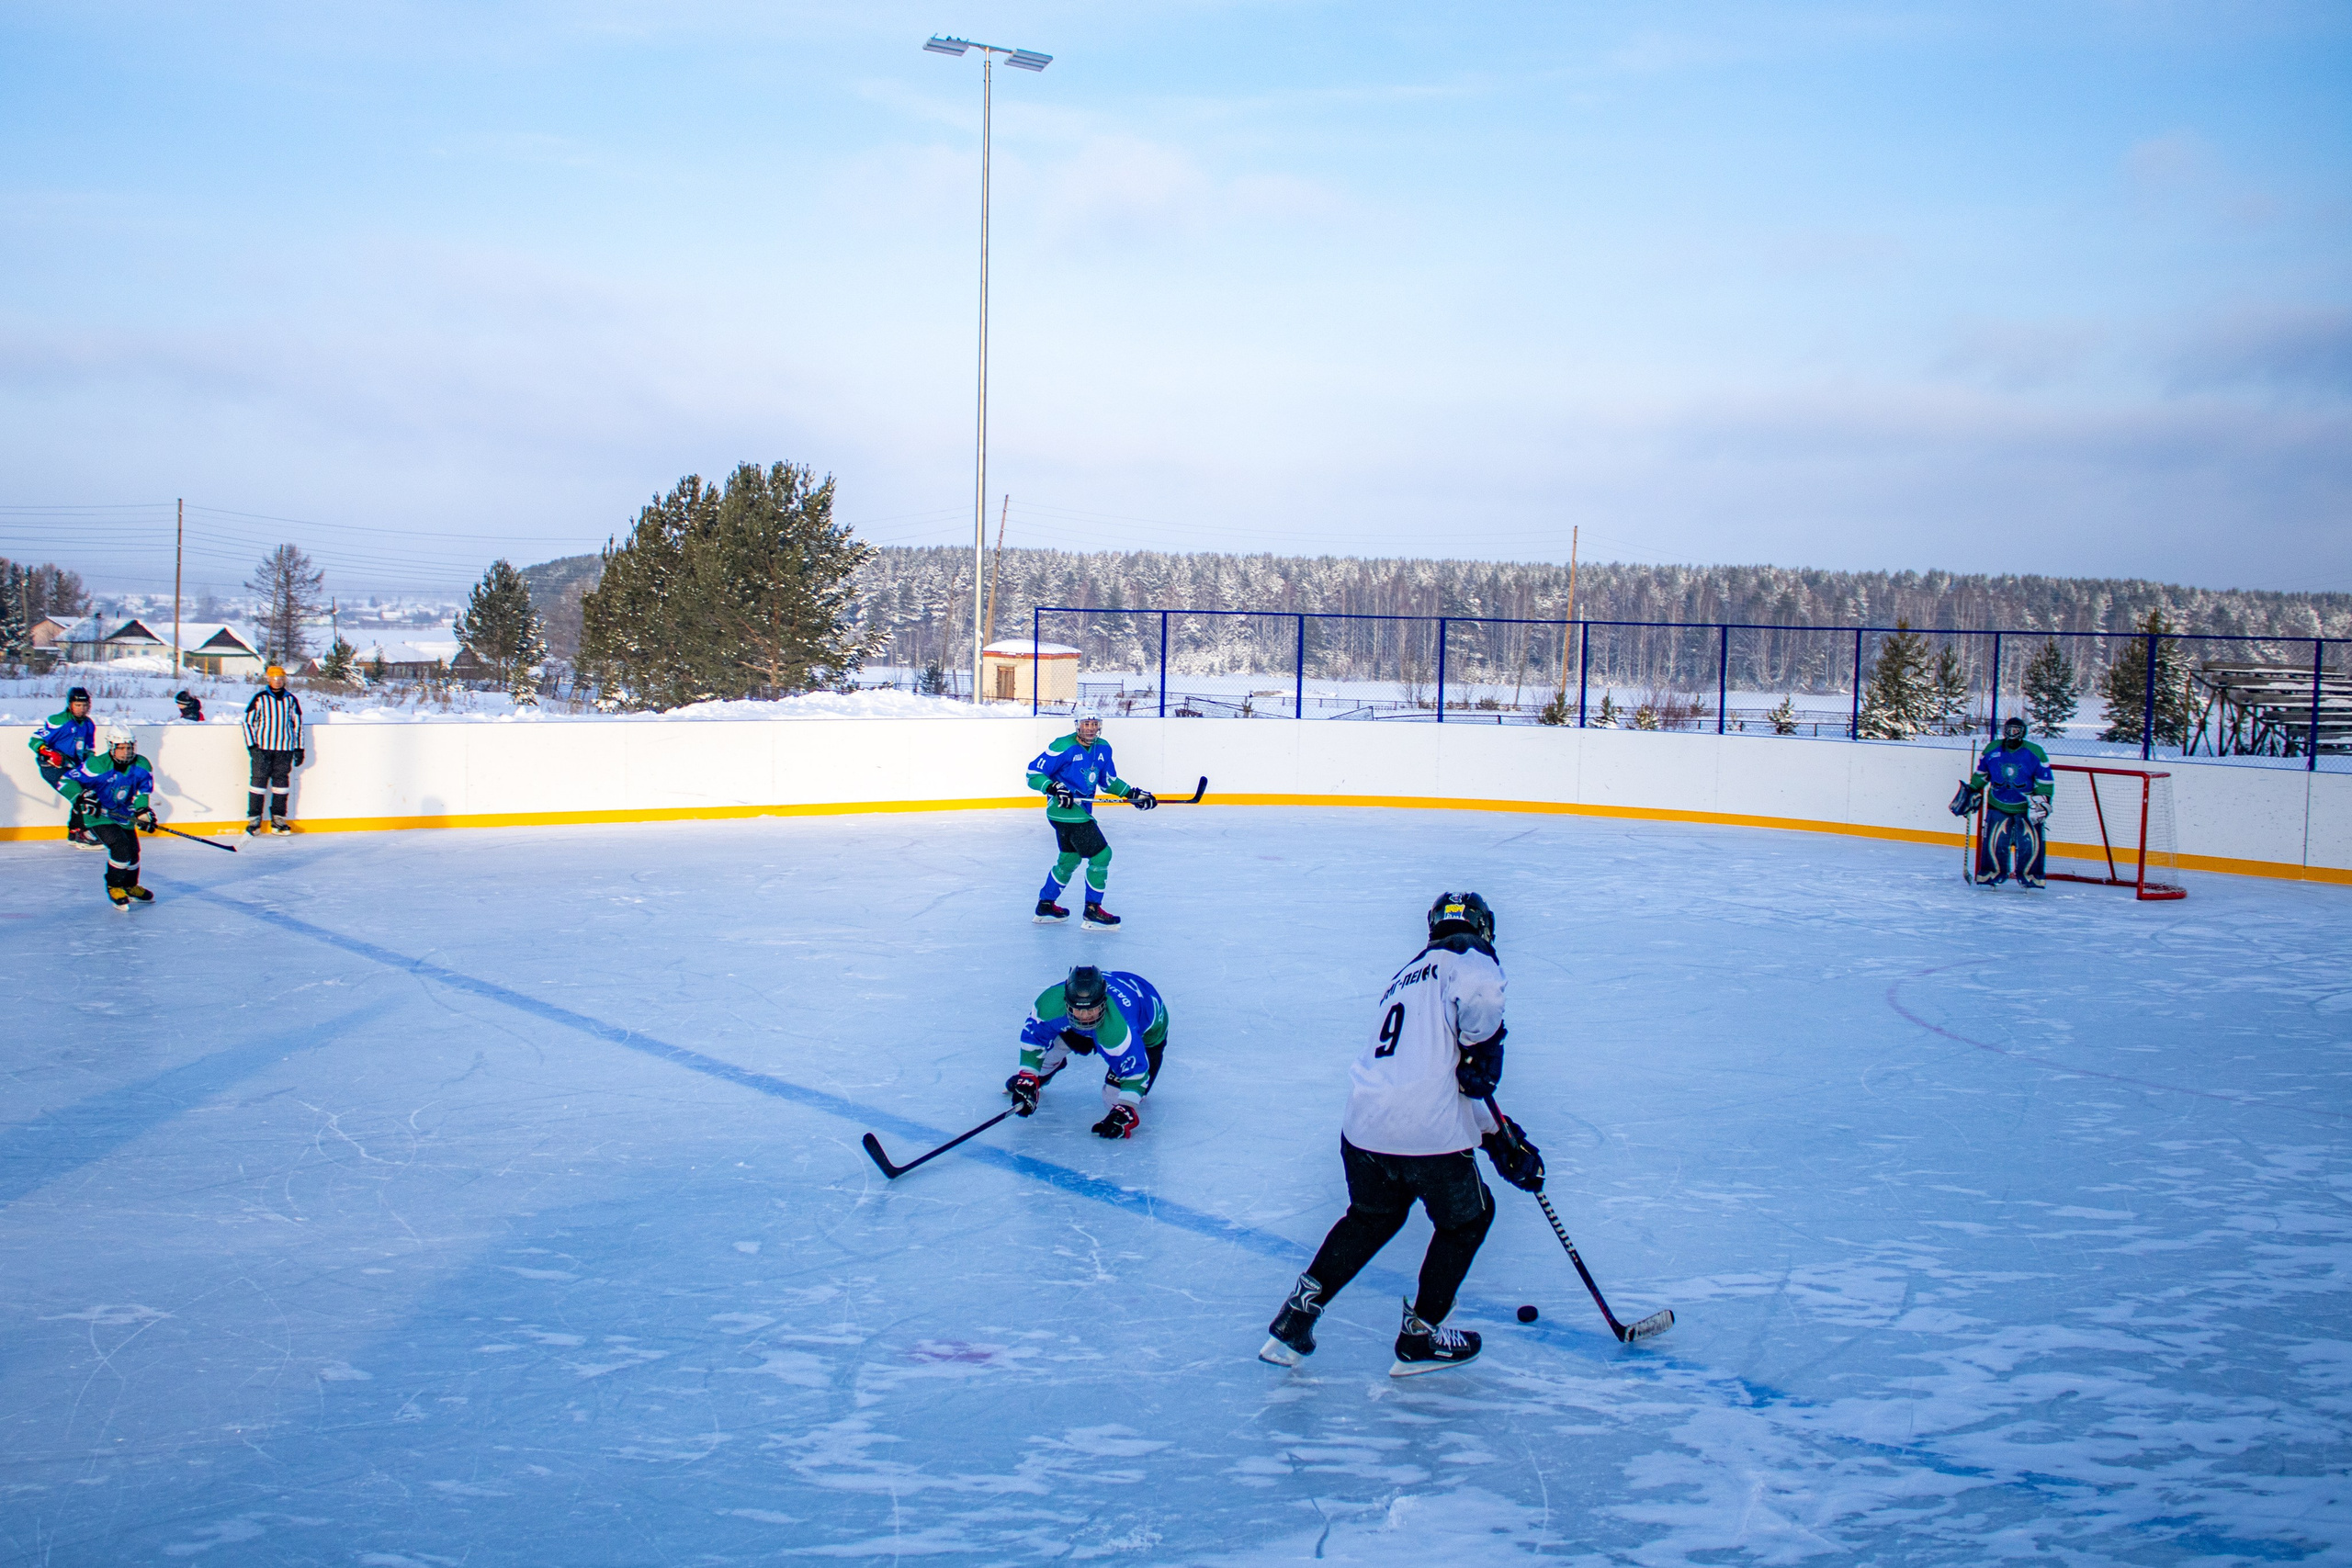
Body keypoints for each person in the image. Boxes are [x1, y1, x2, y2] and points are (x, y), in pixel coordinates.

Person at [1260, 892, 1545, 1377]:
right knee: (1468, 1220)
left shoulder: (1406, 977)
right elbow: (1475, 1035)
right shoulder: (1470, 957)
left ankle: (1294, 1319)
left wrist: (1498, 1135)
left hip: (1364, 1125)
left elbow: (1432, 1073)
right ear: (1484, 927)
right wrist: (1485, 1049)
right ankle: (1421, 1337)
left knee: (1371, 1218)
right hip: (1426, 1131)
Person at [1005, 964, 1170, 1140]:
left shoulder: (1119, 1029)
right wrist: (1028, 1076)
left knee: (1113, 1098)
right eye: (1078, 1009)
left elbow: (1136, 1073)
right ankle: (1052, 1063)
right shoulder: (1050, 1003)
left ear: (1103, 1002)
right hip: (1110, 1009)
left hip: (1146, 1030)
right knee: (1056, 1045)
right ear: (1066, 1001)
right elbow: (1034, 1037)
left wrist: (1125, 1109)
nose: (1085, 1016)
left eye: (1091, 1009)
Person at [1024, 716, 1154, 929]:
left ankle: (1045, 905)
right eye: (1086, 724)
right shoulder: (1063, 746)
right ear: (1078, 725)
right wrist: (1054, 787)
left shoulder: (1103, 748)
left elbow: (1108, 781)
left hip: (1078, 811)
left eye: (1094, 724)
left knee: (1069, 859)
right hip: (1063, 810)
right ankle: (1092, 910)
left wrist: (1132, 794)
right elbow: (1033, 773)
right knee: (1102, 854)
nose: (1091, 729)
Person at [62, 723, 158, 908]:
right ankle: (114, 886)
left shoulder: (142, 765)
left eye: (129, 747)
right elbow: (66, 781)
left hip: (122, 814)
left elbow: (142, 792)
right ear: (111, 747)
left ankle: (130, 886)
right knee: (120, 847)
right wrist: (82, 797)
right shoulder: (96, 765)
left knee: (133, 851)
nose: (125, 752)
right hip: (99, 815)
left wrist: (142, 812)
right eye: (121, 748)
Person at [1952, 716, 2054, 888]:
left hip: (2026, 807)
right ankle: (1991, 874)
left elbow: (2045, 780)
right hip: (1997, 803)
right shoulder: (1992, 749)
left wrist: (2041, 801)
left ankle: (2031, 877)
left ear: (2023, 733)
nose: (2012, 734)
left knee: (2029, 842)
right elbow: (1982, 773)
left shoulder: (2035, 752)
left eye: (2017, 731)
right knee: (1995, 841)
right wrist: (1973, 789)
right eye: (2009, 730)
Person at [28, 686, 98, 847]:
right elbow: (35, 739)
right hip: (52, 767)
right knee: (82, 796)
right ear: (70, 705)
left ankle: (74, 832)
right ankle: (81, 833)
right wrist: (47, 751)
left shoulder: (89, 725)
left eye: (85, 705)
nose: (82, 709)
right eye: (78, 705)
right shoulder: (60, 721)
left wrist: (91, 769)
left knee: (90, 793)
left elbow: (88, 750)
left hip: (73, 768)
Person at [243, 664, 305, 835]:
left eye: (280, 678)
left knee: (281, 786)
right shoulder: (260, 698)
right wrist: (252, 747)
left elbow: (298, 725)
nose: (277, 682)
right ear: (268, 679)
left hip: (284, 750)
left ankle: (278, 819)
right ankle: (254, 820)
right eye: (274, 678)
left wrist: (299, 748)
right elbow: (248, 722)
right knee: (258, 785)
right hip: (262, 750)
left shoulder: (291, 700)